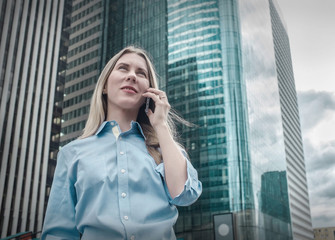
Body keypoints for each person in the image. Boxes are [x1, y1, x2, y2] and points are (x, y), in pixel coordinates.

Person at [41, 46, 202, 240]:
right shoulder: (71, 153)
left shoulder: (165, 149)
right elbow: (59, 233)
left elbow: (185, 194)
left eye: (141, 73)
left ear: (148, 92)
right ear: (105, 86)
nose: (132, 76)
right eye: (123, 68)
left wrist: (160, 124)